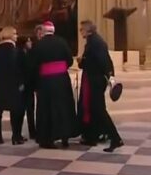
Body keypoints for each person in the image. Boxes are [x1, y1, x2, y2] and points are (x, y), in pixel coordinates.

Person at [28, 21, 77, 149]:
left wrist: (34, 83)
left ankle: (47, 139)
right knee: (64, 107)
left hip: (46, 82)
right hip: (62, 80)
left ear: (43, 31)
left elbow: (33, 65)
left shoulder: (39, 45)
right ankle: (65, 136)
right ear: (53, 31)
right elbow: (70, 60)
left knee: (47, 110)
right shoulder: (62, 42)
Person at [76, 20, 123, 152]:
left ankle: (115, 138)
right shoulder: (93, 41)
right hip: (94, 80)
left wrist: (110, 77)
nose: (80, 32)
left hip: (94, 81)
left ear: (88, 30)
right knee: (95, 110)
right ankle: (97, 136)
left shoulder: (95, 43)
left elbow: (103, 61)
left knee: (99, 110)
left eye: (82, 29)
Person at [0, 26, 25, 145]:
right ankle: (15, 136)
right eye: (15, 34)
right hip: (14, 84)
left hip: (1, 83)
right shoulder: (15, 50)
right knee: (15, 110)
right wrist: (21, 83)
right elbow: (19, 68)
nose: (17, 36)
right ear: (10, 35)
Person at [20, 32, 39, 141]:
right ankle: (17, 133)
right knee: (21, 110)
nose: (30, 43)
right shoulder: (20, 53)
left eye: (30, 41)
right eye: (28, 41)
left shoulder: (32, 53)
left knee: (31, 110)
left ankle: (33, 131)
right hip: (23, 86)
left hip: (30, 85)